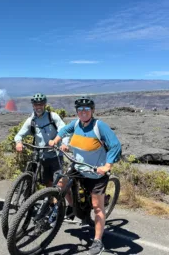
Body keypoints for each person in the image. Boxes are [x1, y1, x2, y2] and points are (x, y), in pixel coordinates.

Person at [49, 96, 121, 255]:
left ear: (92, 111)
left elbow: (115, 145)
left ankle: (97, 241)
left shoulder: (99, 126)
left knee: (97, 207)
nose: (83, 112)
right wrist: (57, 140)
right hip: (78, 167)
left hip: (96, 173)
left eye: (86, 109)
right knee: (61, 185)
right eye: (80, 110)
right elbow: (64, 130)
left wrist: (107, 165)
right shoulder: (76, 124)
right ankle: (75, 208)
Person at [14, 93, 69, 189]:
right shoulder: (31, 120)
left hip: (55, 154)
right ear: (33, 106)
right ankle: (51, 204)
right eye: (36, 104)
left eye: (40, 104)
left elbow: (64, 131)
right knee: (48, 183)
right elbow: (19, 135)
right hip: (41, 157)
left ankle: (68, 203)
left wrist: (64, 143)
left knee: (59, 183)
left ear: (44, 105)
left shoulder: (52, 117)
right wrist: (18, 142)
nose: (38, 107)